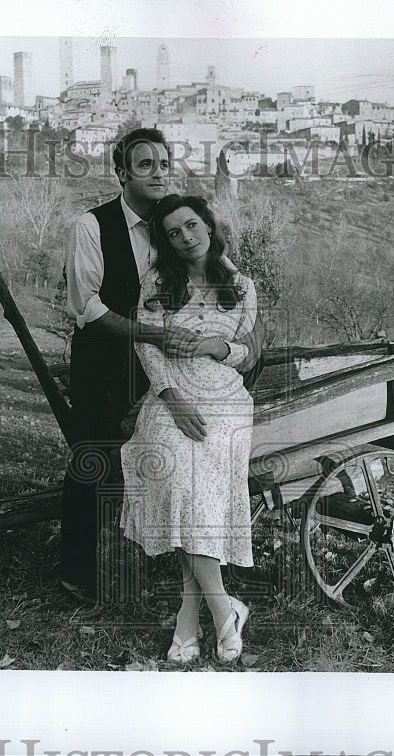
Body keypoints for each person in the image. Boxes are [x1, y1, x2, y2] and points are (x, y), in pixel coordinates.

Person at [120, 194, 256, 664]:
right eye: (174, 233)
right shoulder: (157, 282)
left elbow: (247, 352)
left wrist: (220, 347)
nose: (186, 238)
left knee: (199, 495)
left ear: (208, 225)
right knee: (179, 485)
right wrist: (171, 397)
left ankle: (187, 618)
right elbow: (146, 345)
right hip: (171, 394)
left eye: (192, 226)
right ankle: (224, 610)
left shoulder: (240, 286)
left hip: (224, 402)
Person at [60, 128, 192, 603]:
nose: (159, 172)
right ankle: (77, 573)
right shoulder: (91, 228)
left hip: (160, 367)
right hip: (103, 364)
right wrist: (151, 332)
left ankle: (160, 562)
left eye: (164, 163)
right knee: (93, 460)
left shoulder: (175, 227)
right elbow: (87, 308)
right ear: (121, 174)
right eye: (145, 165)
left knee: (163, 455)